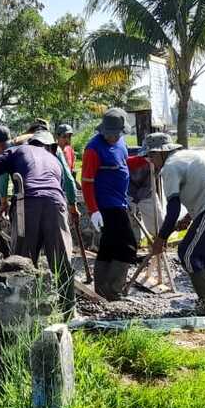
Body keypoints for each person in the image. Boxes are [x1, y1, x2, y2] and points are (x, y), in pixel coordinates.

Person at [0, 130, 75, 314]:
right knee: (62, 262)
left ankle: (23, 313)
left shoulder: (18, 151)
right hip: (56, 206)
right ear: (48, 146)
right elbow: (61, 187)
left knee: (22, 261)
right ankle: (68, 313)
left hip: (28, 204)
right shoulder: (55, 160)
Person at [145, 133, 205, 316]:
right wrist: (189, 218)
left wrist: (161, 238)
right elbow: (204, 184)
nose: (150, 161)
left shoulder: (170, 167)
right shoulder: (189, 156)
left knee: (188, 253)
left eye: (151, 156)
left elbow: (172, 210)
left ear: (161, 153)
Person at [81, 108, 149, 300]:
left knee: (109, 246)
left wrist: (143, 160)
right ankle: (114, 290)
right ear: (102, 130)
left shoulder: (121, 143)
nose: (112, 137)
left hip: (119, 202)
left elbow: (124, 164)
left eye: (115, 134)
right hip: (106, 206)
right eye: (108, 134)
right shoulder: (93, 149)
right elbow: (87, 182)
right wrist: (93, 210)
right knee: (127, 246)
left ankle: (102, 290)